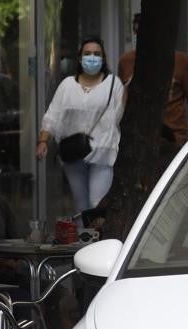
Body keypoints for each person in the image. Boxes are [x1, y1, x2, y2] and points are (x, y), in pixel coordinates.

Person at [36, 37, 125, 220]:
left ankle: (97, 243)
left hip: (102, 152)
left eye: (96, 54)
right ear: (79, 58)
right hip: (74, 152)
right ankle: (83, 243)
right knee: (81, 205)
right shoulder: (68, 85)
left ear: (103, 58)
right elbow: (53, 114)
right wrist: (43, 141)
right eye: (87, 54)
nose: (92, 58)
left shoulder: (113, 84)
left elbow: (119, 116)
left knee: (96, 203)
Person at [118, 13, 188, 145]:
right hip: (137, 141)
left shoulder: (180, 61)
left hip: (173, 139)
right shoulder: (126, 61)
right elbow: (121, 101)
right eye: (137, 31)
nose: (141, 36)